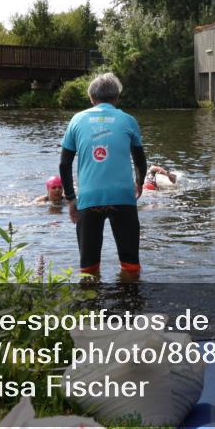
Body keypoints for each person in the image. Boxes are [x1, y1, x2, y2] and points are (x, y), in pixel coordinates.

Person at [59, 73, 147, 278]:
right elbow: (140, 159)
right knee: (131, 265)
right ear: (117, 98)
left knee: (88, 269)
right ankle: (130, 303)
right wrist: (139, 182)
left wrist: (71, 198)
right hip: (123, 198)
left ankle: (89, 306)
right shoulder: (128, 120)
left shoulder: (76, 120)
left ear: (91, 98)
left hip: (89, 199)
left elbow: (64, 164)